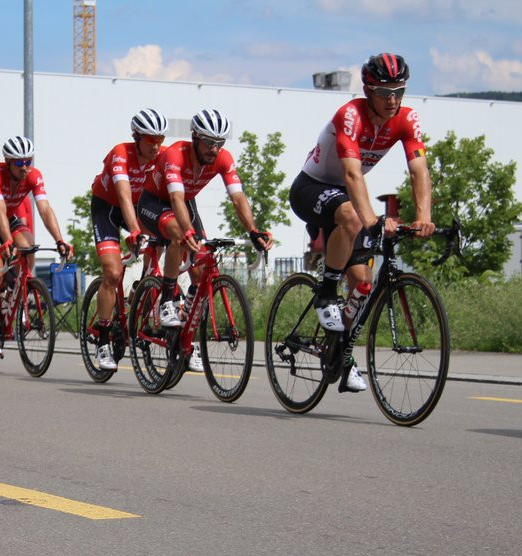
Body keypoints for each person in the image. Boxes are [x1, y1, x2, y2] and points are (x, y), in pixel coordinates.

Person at [289, 53, 434, 392]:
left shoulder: (406, 119)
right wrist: (371, 218)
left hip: (346, 197)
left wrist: (424, 216)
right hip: (312, 188)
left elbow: (419, 170)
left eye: (399, 90)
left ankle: (340, 353)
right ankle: (325, 292)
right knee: (353, 217)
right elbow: (352, 174)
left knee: (362, 284)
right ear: (369, 91)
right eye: (385, 92)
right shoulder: (350, 116)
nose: (393, 99)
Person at [137, 109, 272, 372]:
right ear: (195, 138)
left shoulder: (223, 158)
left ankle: (186, 334)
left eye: (219, 143)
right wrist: (187, 233)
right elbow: (175, 199)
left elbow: (238, 197)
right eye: (209, 142)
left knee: (201, 272)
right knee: (179, 235)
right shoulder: (175, 153)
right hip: (155, 201)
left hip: (185, 201)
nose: (214, 149)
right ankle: (166, 301)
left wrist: (254, 231)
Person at [0, 136, 72, 357]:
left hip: (9, 218)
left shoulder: (34, 176)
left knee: (28, 247)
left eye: (28, 161)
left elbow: (44, 209)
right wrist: (6, 242)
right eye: (18, 163)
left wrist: (59, 240)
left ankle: (14, 287)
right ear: (8, 161)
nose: (25, 167)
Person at [87, 108, 167, 371]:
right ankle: (102, 338)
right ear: (136, 137)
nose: (156, 146)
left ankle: (139, 289)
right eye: (149, 140)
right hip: (108, 208)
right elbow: (122, 195)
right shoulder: (121, 153)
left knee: (163, 240)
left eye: (160, 139)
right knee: (112, 272)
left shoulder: (162, 157)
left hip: (138, 206)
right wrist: (134, 231)